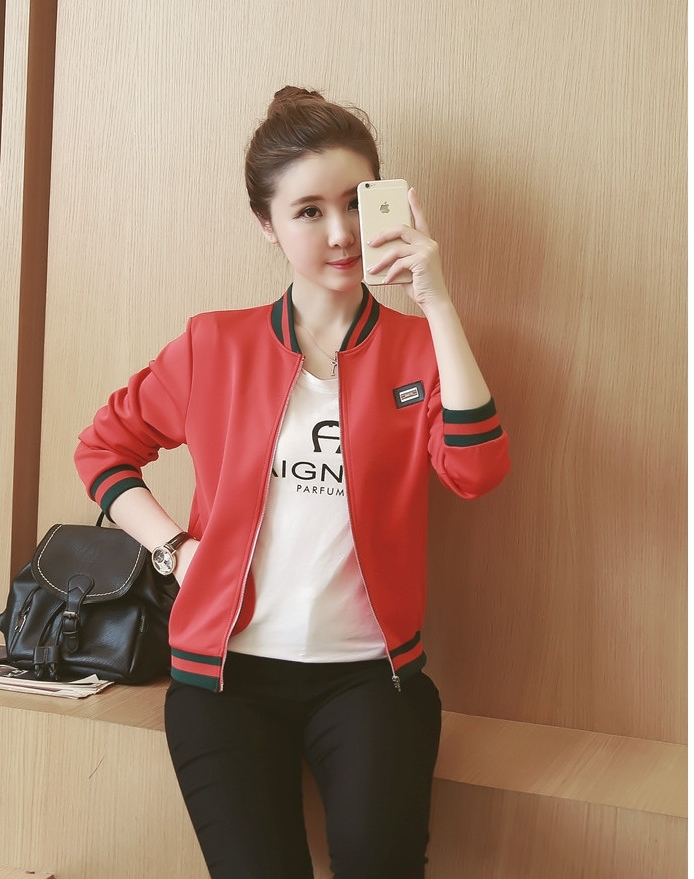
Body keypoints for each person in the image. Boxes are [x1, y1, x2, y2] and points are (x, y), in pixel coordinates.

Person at [74, 86, 510, 879]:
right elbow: (103, 450)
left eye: (356, 202)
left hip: (371, 679)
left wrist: (437, 301)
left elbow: (476, 471)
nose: (341, 232)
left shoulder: (420, 350)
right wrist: (174, 548)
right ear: (267, 224)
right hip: (225, 683)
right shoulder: (214, 346)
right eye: (309, 211)